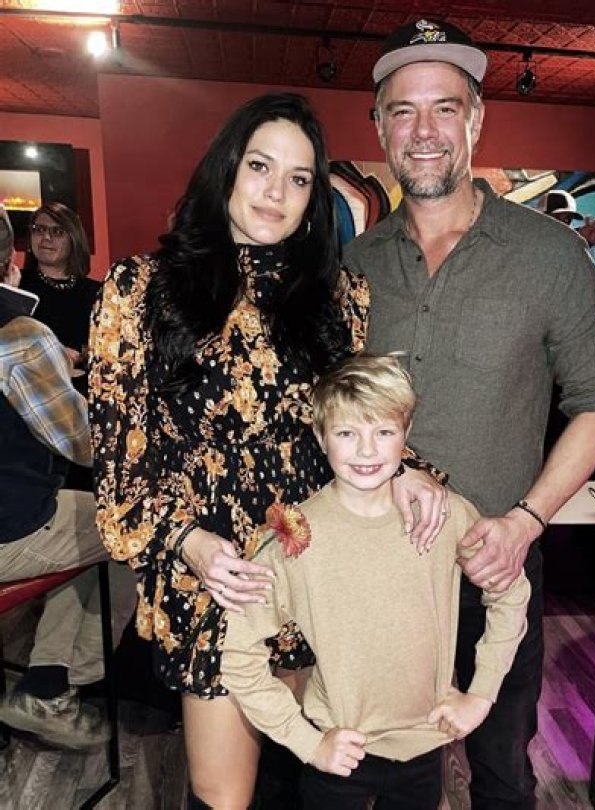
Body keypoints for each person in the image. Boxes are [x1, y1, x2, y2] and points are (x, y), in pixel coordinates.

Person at [88, 92, 446, 809]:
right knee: (225, 795)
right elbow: (121, 470)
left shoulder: (340, 296)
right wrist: (189, 544)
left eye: (299, 178)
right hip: (217, 580)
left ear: (315, 198)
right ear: (226, 168)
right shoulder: (139, 290)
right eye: (259, 166)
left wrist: (406, 471)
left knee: (310, 775)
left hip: (314, 566)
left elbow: (349, 422)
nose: (276, 192)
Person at [343, 19, 595, 808]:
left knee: (502, 768)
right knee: (386, 767)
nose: (424, 130)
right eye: (403, 110)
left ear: (476, 119)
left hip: (493, 563)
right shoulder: (355, 263)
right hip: (375, 568)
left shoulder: (549, 255)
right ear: (379, 127)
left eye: (445, 107)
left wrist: (525, 523)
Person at [222, 354, 530, 810]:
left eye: (383, 432)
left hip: (426, 747)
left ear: (406, 433)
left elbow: (511, 590)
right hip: (337, 752)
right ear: (320, 436)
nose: (366, 451)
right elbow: (237, 653)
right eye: (347, 433)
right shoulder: (293, 538)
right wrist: (307, 742)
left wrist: (482, 694)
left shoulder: (444, 516)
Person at [0, 210, 136, 749]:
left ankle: (48, 676)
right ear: (12, 261)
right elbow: (83, 442)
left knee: (82, 518)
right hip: (10, 530)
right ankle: (59, 685)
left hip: (27, 512)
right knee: (133, 528)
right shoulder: (20, 336)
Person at [20, 202, 99, 371]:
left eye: (57, 231)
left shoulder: (98, 293)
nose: (46, 237)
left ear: (74, 240)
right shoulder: (15, 285)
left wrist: (84, 356)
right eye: (39, 229)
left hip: (83, 384)